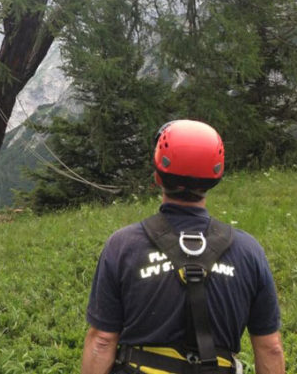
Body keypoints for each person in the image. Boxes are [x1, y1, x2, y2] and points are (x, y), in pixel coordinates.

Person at [81, 119, 285, 374]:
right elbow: (270, 348)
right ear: (215, 179)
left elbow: (102, 340)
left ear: (158, 176)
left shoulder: (123, 246)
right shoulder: (248, 251)